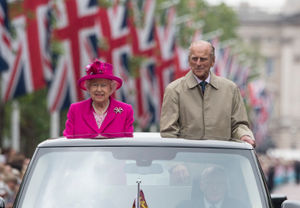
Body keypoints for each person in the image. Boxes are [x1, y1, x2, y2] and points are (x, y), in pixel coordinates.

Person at [160, 40, 255, 147]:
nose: (198, 63)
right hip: (186, 161)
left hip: (221, 160)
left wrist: (244, 135)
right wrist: (179, 161)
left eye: (203, 59)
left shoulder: (231, 90)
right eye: (194, 59)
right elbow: (169, 133)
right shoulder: (174, 90)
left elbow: (239, 125)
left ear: (213, 61)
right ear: (189, 61)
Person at [63, 59, 134, 138]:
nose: (99, 90)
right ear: (88, 88)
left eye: (103, 85)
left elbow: (128, 143)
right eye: (95, 85)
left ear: (111, 88)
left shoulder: (125, 110)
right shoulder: (75, 109)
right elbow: (67, 141)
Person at [177, 166, 246, 208]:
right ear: (201, 186)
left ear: (225, 186)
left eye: (219, 183)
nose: (215, 188)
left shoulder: (239, 206)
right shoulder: (184, 206)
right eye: (210, 183)